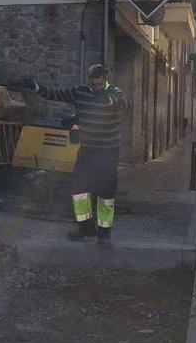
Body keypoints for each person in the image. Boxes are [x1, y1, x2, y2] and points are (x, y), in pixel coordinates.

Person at [13, 64, 128, 247]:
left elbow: (120, 104)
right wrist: (35, 87)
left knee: (105, 195)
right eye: (93, 84)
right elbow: (56, 94)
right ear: (89, 81)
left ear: (105, 80)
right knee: (79, 191)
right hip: (87, 151)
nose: (96, 87)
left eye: (99, 84)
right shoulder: (80, 92)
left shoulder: (115, 93)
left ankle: (104, 235)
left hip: (108, 153)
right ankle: (85, 228)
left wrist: (101, 97)